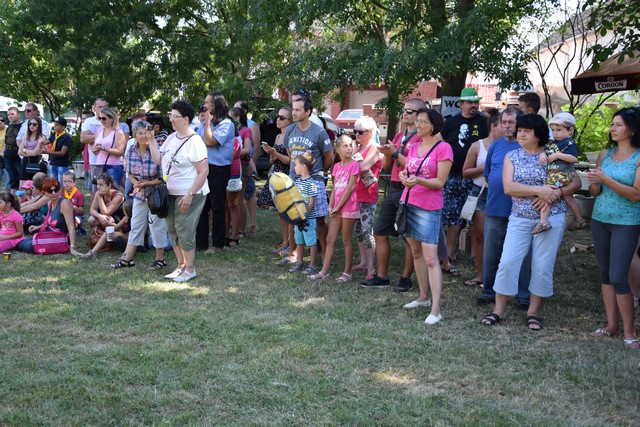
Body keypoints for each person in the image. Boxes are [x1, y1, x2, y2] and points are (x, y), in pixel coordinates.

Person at [480, 114, 570, 330]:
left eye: (526, 131)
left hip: (551, 218)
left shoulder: (554, 154)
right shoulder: (512, 156)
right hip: (520, 218)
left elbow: (573, 182)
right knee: (508, 261)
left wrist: (555, 193)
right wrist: (540, 190)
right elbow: (509, 187)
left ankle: (533, 312)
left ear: (538, 135)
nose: (520, 134)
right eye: (519, 130)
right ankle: (498, 310)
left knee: (542, 265)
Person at [586, 107, 640, 349]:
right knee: (605, 275)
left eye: (619, 124)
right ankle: (611, 326)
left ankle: (630, 332)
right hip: (600, 219)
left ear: (633, 130)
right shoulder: (605, 154)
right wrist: (594, 183)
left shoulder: (638, 158)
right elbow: (594, 192)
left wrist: (605, 179)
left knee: (619, 276)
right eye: (612, 124)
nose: (612, 128)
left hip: (626, 222)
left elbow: (636, 195)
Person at [361, 99, 425, 291]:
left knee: (409, 236)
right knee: (380, 230)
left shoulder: (421, 137)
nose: (405, 113)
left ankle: (406, 278)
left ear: (420, 115)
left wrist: (395, 153)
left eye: (410, 111)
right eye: (404, 110)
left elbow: (416, 167)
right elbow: (388, 166)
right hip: (395, 188)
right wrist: (387, 153)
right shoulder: (399, 135)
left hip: (411, 188)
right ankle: (382, 276)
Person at [399, 108, 452, 325]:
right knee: (416, 252)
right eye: (417, 121)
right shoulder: (413, 146)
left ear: (434, 125)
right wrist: (405, 175)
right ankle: (423, 297)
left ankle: (436, 309)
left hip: (428, 208)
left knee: (431, 258)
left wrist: (418, 180)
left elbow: (440, 182)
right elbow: (410, 171)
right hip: (409, 202)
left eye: (422, 122)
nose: (418, 125)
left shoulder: (443, 148)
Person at [477, 107, 531, 308]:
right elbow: (488, 176)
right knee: (491, 252)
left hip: (522, 211)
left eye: (511, 122)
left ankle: (523, 296)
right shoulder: (496, 146)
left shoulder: (528, 147)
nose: (506, 126)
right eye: (504, 122)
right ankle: (488, 291)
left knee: (523, 255)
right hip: (495, 207)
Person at [280, 96, 333, 264]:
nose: (294, 113)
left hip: (314, 181)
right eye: (293, 110)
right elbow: (290, 153)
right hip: (294, 181)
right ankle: (294, 254)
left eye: (298, 110)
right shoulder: (290, 130)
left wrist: (317, 172)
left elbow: (329, 156)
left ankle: (325, 256)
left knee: (319, 219)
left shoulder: (319, 132)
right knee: (293, 216)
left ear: (308, 112)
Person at [160, 101, 210, 282]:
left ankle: (190, 269)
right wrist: (149, 141)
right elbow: (159, 160)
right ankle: (180, 266)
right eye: (170, 116)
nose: (171, 119)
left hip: (190, 192)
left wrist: (190, 194)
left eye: (175, 116)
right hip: (170, 192)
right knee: (172, 228)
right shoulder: (171, 138)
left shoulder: (195, 141)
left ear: (186, 119)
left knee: (184, 229)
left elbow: (203, 171)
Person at [440, 88, 488, 271]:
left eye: (476, 102)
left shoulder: (484, 122)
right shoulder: (451, 122)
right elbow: (440, 141)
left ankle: (476, 253)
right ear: (461, 104)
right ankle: (450, 252)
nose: (473, 105)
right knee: (453, 216)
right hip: (453, 176)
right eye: (470, 102)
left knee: (476, 216)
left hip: (477, 177)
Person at [108, 121, 167, 269]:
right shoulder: (131, 150)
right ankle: (128, 258)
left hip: (156, 194)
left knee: (156, 227)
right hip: (140, 194)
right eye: (140, 133)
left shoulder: (157, 150)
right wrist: (137, 185)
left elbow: (162, 178)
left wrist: (143, 185)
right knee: (136, 224)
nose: (144, 136)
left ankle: (160, 259)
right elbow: (129, 173)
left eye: (146, 132)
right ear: (134, 135)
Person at [309, 135, 359, 282]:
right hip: (336, 208)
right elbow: (336, 187)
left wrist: (338, 206)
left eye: (350, 145)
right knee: (330, 239)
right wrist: (330, 206)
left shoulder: (355, 165)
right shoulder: (336, 167)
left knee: (346, 240)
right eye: (345, 146)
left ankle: (347, 272)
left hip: (348, 207)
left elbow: (349, 189)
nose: (349, 148)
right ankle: (324, 272)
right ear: (337, 149)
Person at [461, 113, 503, 287]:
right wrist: (485, 167)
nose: (510, 128)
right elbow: (465, 172)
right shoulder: (477, 146)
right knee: (479, 235)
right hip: (480, 193)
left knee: (499, 236)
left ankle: (498, 276)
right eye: (504, 124)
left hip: (502, 193)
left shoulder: (512, 146)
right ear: (494, 126)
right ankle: (481, 275)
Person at [537, 112, 586, 233]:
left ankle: (543, 222)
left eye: (558, 130)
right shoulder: (555, 143)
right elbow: (547, 151)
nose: (555, 133)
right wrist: (543, 153)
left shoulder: (569, 143)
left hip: (562, 174)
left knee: (548, 194)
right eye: (553, 130)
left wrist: (558, 155)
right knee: (569, 198)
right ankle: (580, 219)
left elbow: (574, 158)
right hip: (555, 173)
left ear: (570, 130)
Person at [198, 92, 235, 253]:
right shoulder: (206, 123)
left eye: (207, 103)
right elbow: (198, 140)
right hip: (204, 168)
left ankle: (218, 245)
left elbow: (210, 141)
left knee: (217, 207)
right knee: (202, 206)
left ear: (215, 105)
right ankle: (201, 243)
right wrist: (206, 124)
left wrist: (207, 123)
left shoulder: (226, 124)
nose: (204, 105)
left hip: (219, 169)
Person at [16, 178, 82, 256]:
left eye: (56, 190)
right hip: (50, 233)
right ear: (45, 193)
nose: (53, 193)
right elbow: (49, 222)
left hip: (61, 238)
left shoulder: (64, 203)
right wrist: (38, 227)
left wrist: (72, 247)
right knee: (20, 244)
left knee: (26, 247)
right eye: (50, 191)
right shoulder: (50, 202)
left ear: (60, 190)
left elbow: (71, 227)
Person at [351, 116, 382, 279]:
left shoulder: (374, 148)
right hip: (355, 194)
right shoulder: (358, 147)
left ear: (370, 133)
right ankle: (363, 262)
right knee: (358, 231)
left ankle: (371, 268)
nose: (357, 134)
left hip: (368, 195)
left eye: (360, 132)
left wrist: (353, 158)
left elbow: (363, 167)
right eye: (355, 131)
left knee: (367, 230)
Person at [258, 107, 292, 254]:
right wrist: (271, 154)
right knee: (280, 211)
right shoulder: (278, 136)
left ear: (290, 121)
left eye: (282, 117)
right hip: (277, 174)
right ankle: (285, 242)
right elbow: (273, 161)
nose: (278, 119)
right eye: (278, 116)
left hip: (287, 176)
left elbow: (290, 160)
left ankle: (291, 244)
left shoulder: (290, 136)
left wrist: (275, 153)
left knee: (288, 212)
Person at [288, 153, 319, 275]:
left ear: (304, 166)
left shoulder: (311, 183)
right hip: (298, 219)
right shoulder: (297, 182)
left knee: (311, 242)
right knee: (299, 241)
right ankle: (299, 262)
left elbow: (311, 203)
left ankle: (312, 264)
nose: (294, 167)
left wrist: (305, 216)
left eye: (296, 165)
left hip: (308, 219)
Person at [225, 109, 250, 247]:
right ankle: (225, 235)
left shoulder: (235, 140)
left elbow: (230, 156)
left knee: (233, 206)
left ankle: (234, 237)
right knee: (225, 206)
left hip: (233, 174)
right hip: (223, 174)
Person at [230, 107, 254, 238]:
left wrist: (231, 153)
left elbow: (247, 149)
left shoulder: (246, 130)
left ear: (237, 118)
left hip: (242, 166)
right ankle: (234, 226)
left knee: (239, 199)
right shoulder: (230, 130)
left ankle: (242, 229)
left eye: (231, 117)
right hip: (230, 166)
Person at [92, 107, 126, 187]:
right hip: (100, 165)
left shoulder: (118, 132)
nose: (101, 121)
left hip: (114, 166)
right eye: (99, 118)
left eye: (104, 118)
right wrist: (95, 149)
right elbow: (95, 151)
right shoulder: (99, 131)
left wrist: (104, 148)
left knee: (111, 190)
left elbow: (120, 152)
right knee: (100, 189)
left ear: (111, 119)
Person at [80, 98, 109, 195]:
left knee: (110, 186)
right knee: (95, 187)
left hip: (110, 159)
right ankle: (96, 205)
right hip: (94, 161)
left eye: (105, 107)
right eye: (100, 107)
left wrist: (92, 137)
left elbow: (112, 138)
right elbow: (83, 139)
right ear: (94, 109)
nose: (103, 109)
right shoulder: (88, 122)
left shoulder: (111, 120)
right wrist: (100, 136)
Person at [42, 116, 73, 182]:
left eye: (57, 125)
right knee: (53, 184)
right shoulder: (54, 135)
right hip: (53, 162)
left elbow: (62, 153)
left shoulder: (67, 137)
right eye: (54, 125)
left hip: (62, 164)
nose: (54, 127)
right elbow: (46, 142)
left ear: (63, 127)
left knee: (61, 183)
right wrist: (41, 142)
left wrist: (47, 152)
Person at [18, 116, 47, 184]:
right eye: (30, 124)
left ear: (39, 126)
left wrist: (24, 150)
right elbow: (19, 152)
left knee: (34, 184)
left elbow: (35, 153)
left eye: (34, 124)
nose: (31, 126)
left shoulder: (41, 137)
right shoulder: (26, 135)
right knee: (22, 184)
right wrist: (28, 152)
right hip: (25, 161)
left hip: (36, 161)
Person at [4, 107, 23, 195]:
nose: (10, 116)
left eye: (12, 114)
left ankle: (21, 199)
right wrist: (3, 152)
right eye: (8, 114)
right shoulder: (10, 126)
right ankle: (13, 199)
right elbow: (6, 140)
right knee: (12, 179)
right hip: (8, 157)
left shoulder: (23, 126)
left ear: (19, 115)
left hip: (19, 157)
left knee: (21, 178)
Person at [0, 115, 8, 190]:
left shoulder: (8, 129)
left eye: (2, 120)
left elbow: (7, 142)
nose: (0, 122)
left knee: (7, 177)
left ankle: (9, 193)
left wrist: (2, 151)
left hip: (5, 156)